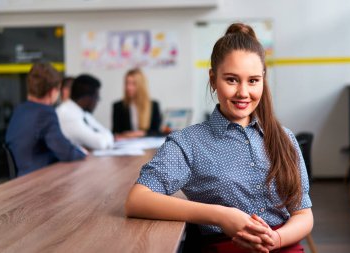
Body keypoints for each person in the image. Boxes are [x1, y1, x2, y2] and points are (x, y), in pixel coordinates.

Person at [125, 23, 313, 253]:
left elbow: (303, 213)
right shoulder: (188, 142)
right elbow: (137, 200)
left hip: (283, 244)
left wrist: (275, 239)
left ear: (263, 80)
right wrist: (222, 215)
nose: (243, 92)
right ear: (213, 80)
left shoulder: (285, 138)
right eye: (232, 80)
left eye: (253, 80)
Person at [5, 62, 86, 177]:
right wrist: (81, 153)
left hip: (22, 177)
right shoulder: (45, 113)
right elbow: (64, 151)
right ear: (53, 91)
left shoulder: (20, 109)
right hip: (38, 179)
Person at [57, 74, 114, 150]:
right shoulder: (67, 114)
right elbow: (100, 143)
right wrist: (106, 137)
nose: (97, 103)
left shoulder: (83, 113)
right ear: (87, 98)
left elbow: (107, 133)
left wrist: (106, 137)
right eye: (97, 98)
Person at [112, 68, 162, 139]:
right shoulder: (118, 106)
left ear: (141, 85)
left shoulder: (153, 105)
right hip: (126, 146)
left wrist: (137, 134)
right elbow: (115, 133)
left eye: (133, 84)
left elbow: (157, 132)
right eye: (127, 83)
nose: (128, 87)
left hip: (148, 145)